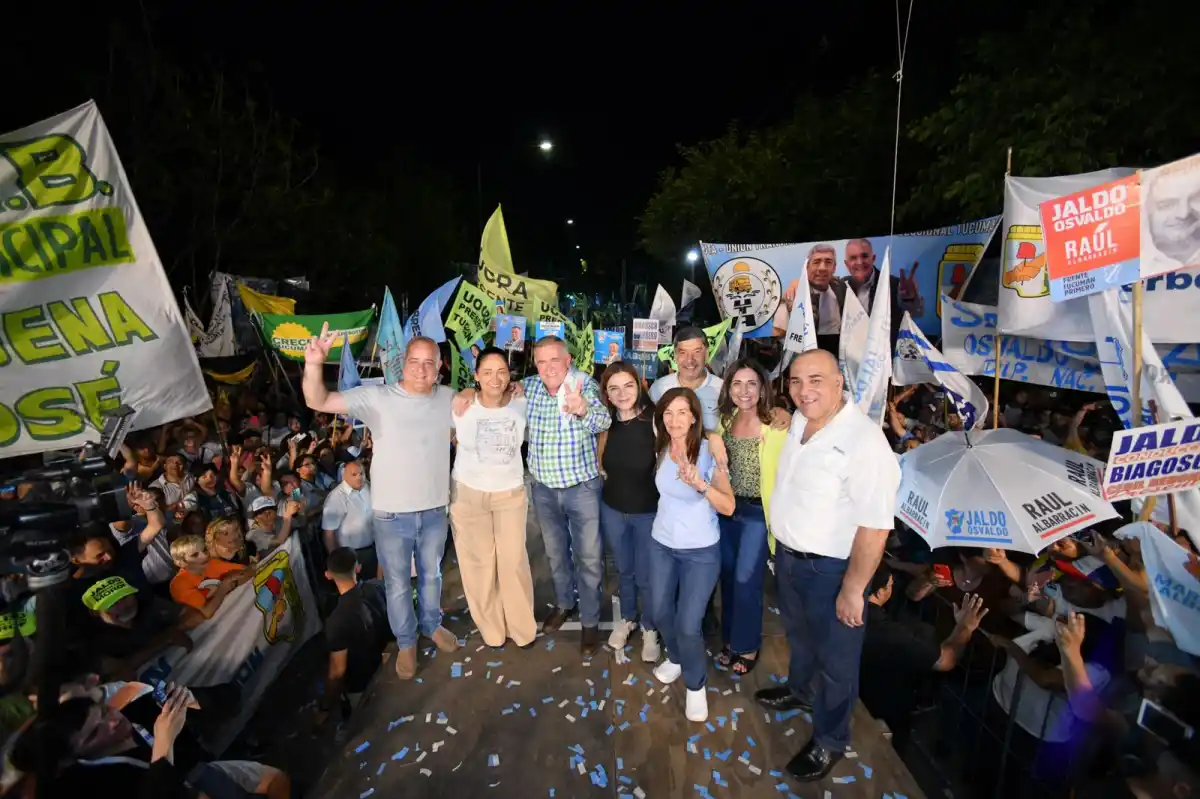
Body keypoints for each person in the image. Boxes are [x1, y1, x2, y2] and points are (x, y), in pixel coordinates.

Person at [755, 349, 900, 781]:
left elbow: (875, 526)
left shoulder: (864, 441)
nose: (804, 390)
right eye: (796, 381)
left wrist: (854, 589)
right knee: (800, 640)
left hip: (832, 572)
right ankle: (800, 692)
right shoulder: (800, 420)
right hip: (790, 559)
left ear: (840, 383)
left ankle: (830, 740)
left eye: (816, 380)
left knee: (837, 663)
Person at [302, 327, 460, 681]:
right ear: (403, 364)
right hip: (391, 515)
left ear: (440, 368)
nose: (422, 370)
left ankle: (432, 625)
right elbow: (320, 401)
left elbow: (483, 409)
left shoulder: (448, 399)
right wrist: (314, 364)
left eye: (429, 363)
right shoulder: (376, 397)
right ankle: (406, 642)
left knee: (432, 576)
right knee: (398, 583)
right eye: (415, 362)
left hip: (435, 510)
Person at [456, 336, 611, 655]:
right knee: (556, 554)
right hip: (543, 489)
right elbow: (494, 389)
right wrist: (470, 391)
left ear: (568, 361)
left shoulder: (583, 384)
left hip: (581, 488)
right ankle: (565, 603)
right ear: (534, 365)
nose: (549, 367)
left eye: (555, 360)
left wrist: (582, 410)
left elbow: (604, 421)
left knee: (590, 558)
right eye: (541, 361)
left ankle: (591, 623)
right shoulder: (527, 389)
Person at [648, 388, 736, 723]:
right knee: (659, 611)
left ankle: (695, 686)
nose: (674, 420)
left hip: (700, 550)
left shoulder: (710, 453)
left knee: (688, 623)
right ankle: (675, 656)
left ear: (695, 416)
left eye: (682, 412)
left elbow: (728, 507)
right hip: (661, 543)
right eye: (668, 413)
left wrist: (700, 484)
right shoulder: (661, 443)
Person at [448, 347, 537, 649]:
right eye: (487, 372)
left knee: (513, 561)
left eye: (501, 371)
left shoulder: (522, 401)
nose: (495, 378)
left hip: (510, 493)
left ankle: (522, 627)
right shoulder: (461, 405)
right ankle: (491, 627)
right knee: (478, 565)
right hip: (468, 495)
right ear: (476, 376)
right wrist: (462, 392)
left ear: (510, 374)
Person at [858, 562, 989, 752]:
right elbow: (946, 659)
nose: (892, 588)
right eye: (890, 585)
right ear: (880, 592)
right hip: (876, 710)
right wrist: (965, 627)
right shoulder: (890, 633)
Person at [713, 359, 787, 675]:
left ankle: (747, 645)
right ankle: (731, 639)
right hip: (728, 512)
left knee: (746, 580)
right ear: (728, 389)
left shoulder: (778, 425)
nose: (744, 391)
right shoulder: (724, 423)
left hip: (758, 513)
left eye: (751, 383)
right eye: (737, 384)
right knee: (728, 579)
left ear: (762, 388)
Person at [597, 361, 661, 660]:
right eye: (614, 388)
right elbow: (601, 463)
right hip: (613, 510)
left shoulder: (655, 420)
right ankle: (628, 619)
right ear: (607, 394)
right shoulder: (605, 424)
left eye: (628, 386)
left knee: (647, 574)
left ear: (640, 385)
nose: (622, 393)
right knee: (625, 570)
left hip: (648, 512)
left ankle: (650, 627)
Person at [316, 548, 391, 726]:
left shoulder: (336, 620)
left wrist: (325, 708)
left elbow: (337, 672)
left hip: (363, 686)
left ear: (328, 575)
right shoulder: (378, 587)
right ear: (358, 568)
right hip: (389, 667)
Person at [843, 238, 921, 340]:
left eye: (864, 256)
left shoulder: (894, 284)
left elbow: (916, 312)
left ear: (873, 258)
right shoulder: (841, 286)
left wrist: (910, 299)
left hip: (885, 353)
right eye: (853, 258)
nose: (859, 262)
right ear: (846, 264)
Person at [649, 326, 723, 431]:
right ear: (675, 356)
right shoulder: (658, 388)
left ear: (706, 354)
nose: (690, 360)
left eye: (697, 352)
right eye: (683, 352)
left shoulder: (722, 389)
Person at [168, 535, 253, 619]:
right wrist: (223, 588)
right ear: (181, 563)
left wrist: (233, 581)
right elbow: (207, 613)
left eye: (204, 550)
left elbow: (247, 570)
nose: (204, 556)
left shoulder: (211, 563)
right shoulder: (180, 583)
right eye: (195, 555)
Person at [321, 460, 377, 580]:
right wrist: (338, 562)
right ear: (344, 476)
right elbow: (328, 534)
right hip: (351, 554)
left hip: (372, 548)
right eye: (354, 475)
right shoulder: (336, 498)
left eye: (361, 474)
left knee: (373, 585)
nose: (359, 477)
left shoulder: (367, 486)